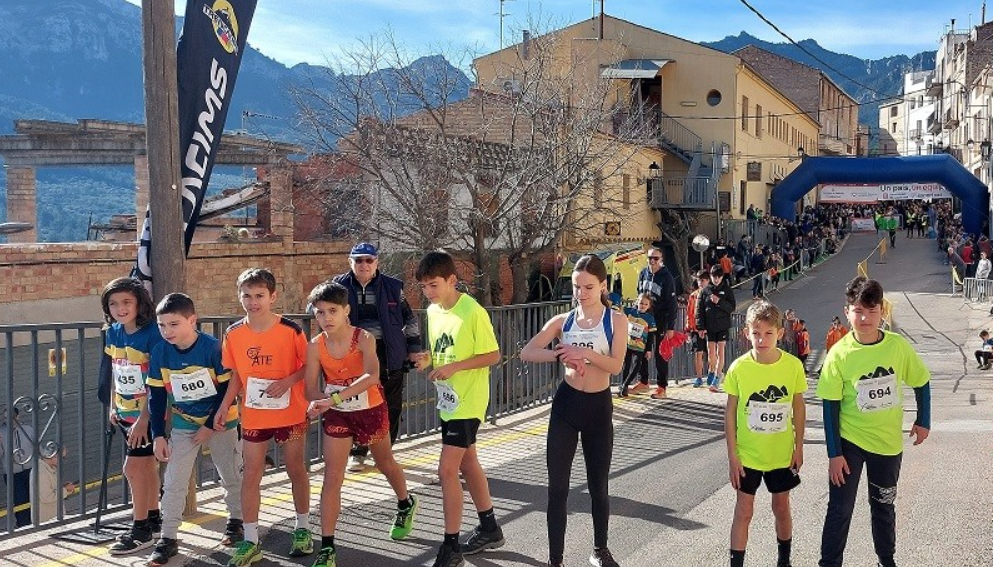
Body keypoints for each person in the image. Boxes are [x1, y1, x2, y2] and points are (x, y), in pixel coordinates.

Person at [521, 254, 627, 567]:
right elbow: (528, 352)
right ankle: (556, 560)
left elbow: (617, 366)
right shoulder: (562, 321)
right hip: (567, 405)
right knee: (558, 488)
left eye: (588, 287)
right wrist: (560, 356)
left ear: (603, 286)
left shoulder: (616, 320)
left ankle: (599, 549)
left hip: (598, 407)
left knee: (598, 486)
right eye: (576, 286)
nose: (581, 292)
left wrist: (583, 353)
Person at [817, 277, 931, 567]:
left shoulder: (897, 347)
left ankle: (886, 559)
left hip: (887, 443)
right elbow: (829, 406)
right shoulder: (838, 354)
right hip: (849, 442)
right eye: (858, 310)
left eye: (871, 310)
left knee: (883, 505)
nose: (864, 317)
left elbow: (921, 381)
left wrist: (924, 419)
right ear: (847, 312)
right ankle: (829, 563)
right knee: (840, 509)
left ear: (883, 311)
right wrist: (834, 453)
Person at [303, 282, 418, 567]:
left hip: (370, 408)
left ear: (346, 311)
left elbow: (372, 377)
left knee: (385, 463)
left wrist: (334, 398)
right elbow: (309, 388)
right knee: (332, 476)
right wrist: (319, 401)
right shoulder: (315, 346)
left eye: (332, 311)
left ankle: (405, 502)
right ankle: (327, 547)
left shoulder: (363, 338)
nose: (326, 318)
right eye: (319, 313)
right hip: (338, 414)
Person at [214, 269, 313, 565]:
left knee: (295, 468)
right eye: (247, 295)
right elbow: (236, 376)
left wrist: (287, 381)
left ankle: (303, 528)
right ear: (239, 295)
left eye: (259, 296)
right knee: (251, 475)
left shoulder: (291, 330)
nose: (253, 302)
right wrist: (223, 406)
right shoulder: (233, 333)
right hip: (255, 416)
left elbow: (309, 367)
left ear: (273, 296)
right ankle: (250, 540)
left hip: (290, 413)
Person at [412, 251, 504, 567]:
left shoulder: (473, 311)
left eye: (434, 285)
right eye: (424, 287)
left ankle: (451, 547)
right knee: (468, 464)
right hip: (448, 399)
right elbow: (444, 353)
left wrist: (456, 368)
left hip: (468, 401)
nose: (429, 293)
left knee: (446, 469)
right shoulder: (433, 311)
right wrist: (430, 361)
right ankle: (490, 527)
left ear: (452, 280)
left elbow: (493, 355)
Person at [146, 293, 244, 566]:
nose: (167, 331)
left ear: (192, 320)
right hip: (184, 424)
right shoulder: (160, 352)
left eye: (174, 324)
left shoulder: (213, 348)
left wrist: (211, 426)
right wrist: (158, 435)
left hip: (222, 422)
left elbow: (227, 389)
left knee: (230, 475)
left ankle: (235, 520)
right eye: (162, 325)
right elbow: (156, 396)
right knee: (174, 480)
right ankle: (168, 538)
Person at [724, 301, 806, 567]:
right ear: (746, 332)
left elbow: (798, 406)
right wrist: (733, 456)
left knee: (781, 507)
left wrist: (799, 446)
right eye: (756, 332)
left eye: (768, 333)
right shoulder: (738, 368)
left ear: (780, 334)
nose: (762, 339)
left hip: (780, 454)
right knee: (744, 510)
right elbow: (730, 413)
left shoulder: (792, 366)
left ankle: (784, 560)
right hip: (748, 455)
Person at [332, 243, 422, 473]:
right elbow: (319, 309)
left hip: (389, 351)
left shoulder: (392, 287)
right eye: (358, 260)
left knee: (390, 405)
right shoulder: (337, 286)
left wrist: (414, 348)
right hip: (353, 354)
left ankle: (385, 454)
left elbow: (409, 320)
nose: (364, 265)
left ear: (376, 263)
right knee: (358, 404)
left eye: (368, 260)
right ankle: (358, 452)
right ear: (350, 262)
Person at [100, 277, 164, 554]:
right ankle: (152, 517)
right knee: (146, 466)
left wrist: (145, 420)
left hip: (147, 416)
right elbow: (116, 369)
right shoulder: (113, 332)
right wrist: (113, 405)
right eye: (113, 303)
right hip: (125, 413)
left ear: (140, 303)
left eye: (127, 302)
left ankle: (140, 530)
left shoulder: (153, 333)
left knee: (133, 468)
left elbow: (158, 379)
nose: (120, 308)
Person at [635, 247, 677, 397]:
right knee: (640, 349)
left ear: (661, 260)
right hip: (644, 320)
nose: (652, 261)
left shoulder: (667, 277)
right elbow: (638, 294)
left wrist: (670, 326)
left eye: (655, 258)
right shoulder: (643, 273)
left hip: (660, 320)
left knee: (660, 353)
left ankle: (662, 386)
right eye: (650, 258)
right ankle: (643, 381)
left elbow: (672, 303)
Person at [696, 265, 736, 392]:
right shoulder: (705, 291)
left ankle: (717, 378)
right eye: (714, 276)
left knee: (720, 351)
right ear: (711, 277)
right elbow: (699, 310)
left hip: (723, 325)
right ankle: (712, 371)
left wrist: (719, 301)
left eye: (718, 276)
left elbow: (731, 307)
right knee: (711, 352)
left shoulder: (727, 290)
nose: (716, 279)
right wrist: (700, 327)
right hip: (710, 326)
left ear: (722, 277)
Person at [617, 293, 657, 398]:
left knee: (637, 366)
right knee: (626, 366)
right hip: (628, 344)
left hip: (640, 347)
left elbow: (651, 336)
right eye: (641, 303)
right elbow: (618, 309)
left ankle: (626, 384)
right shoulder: (630, 312)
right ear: (637, 302)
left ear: (649, 306)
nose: (642, 305)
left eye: (645, 304)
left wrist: (649, 350)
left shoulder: (650, 318)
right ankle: (623, 386)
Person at [0, 407, 34, 528]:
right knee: (20, 500)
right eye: (5, 417)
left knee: (34, 496)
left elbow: (37, 447)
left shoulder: (28, 429)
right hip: (12, 473)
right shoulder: (1, 433)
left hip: (30, 470)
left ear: (18, 416)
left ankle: (36, 522)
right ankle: (22, 525)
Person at [31, 447, 76, 524]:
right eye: (61, 457)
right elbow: (47, 497)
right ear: (52, 456)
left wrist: (65, 488)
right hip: (47, 519)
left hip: (55, 515)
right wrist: (65, 490)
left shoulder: (49, 467)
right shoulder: (41, 472)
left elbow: (52, 488)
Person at [686, 271, 710, 386]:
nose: (701, 282)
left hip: (709, 329)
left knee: (711, 352)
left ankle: (712, 374)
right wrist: (689, 328)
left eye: (703, 280)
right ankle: (699, 377)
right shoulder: (693, 295)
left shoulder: (711, 294)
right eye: (699, 280)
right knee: (698, 353)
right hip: (696, 329)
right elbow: (689, 313)